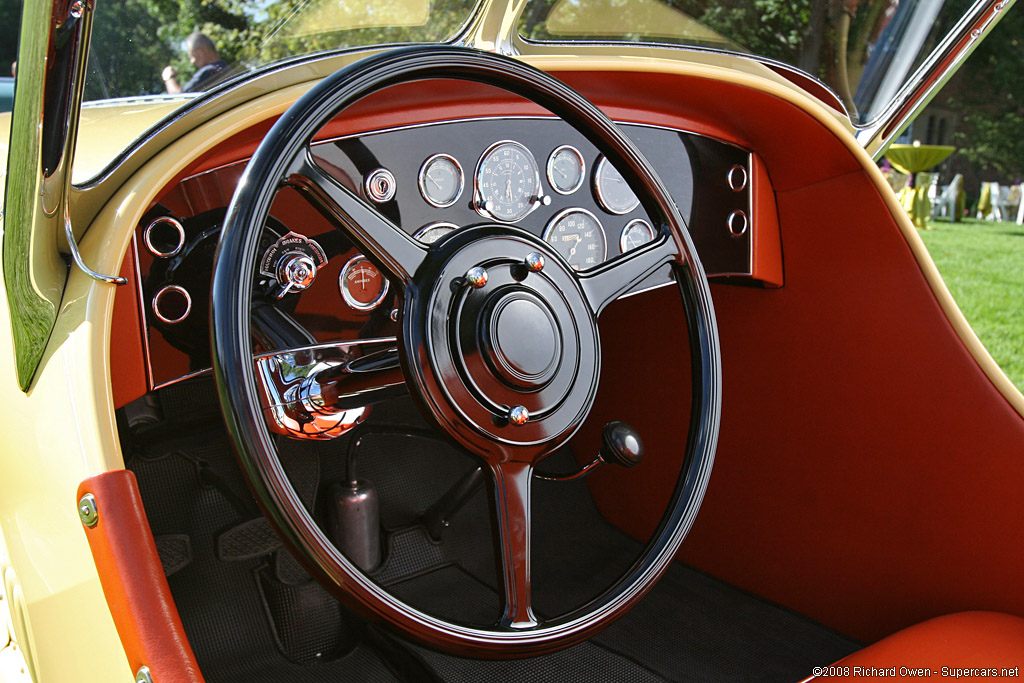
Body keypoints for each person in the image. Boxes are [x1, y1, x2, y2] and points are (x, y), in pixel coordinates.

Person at [162, 33, 228, 93]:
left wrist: (168, 78)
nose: (192, 61)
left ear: (201, 51)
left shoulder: (208, 71)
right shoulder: (226, 67)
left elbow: (180, 97)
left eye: (192, 55)